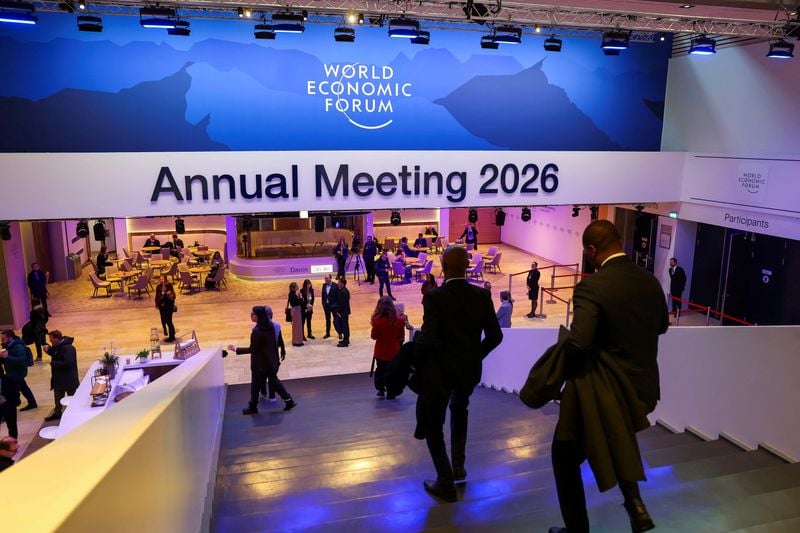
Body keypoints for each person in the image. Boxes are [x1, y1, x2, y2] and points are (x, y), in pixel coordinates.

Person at [549, 220, 669, 533]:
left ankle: (579, 530)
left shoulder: (592, 287)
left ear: (591, 250)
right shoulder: (650, 281)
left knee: (564, 455)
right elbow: (661, 326)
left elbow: (579, 343)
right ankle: (635, 504)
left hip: (605, 390)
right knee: (613, 431)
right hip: (643, 391)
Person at [415, 246, 503, 502]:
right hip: (469, 370)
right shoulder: (482, 295)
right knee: (460, 410)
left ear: (443, 267)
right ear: (467, 266)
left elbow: (428, 338)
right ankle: (458, 465)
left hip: (441, 371)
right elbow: (495, 336)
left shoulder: (434, 297)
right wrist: (475, 355)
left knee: (433, 423)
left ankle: (445, 480)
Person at [229, 306, 297, 415]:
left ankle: (253, 407)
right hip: (271, 361)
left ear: (259, 316)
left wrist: (236, 349)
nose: (251, 316)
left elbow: (253, 349)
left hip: (260, 363)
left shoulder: (256, 331)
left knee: (255, 386)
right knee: (275, 382)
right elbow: (275, 345)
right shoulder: (271, 327)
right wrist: (276, 359)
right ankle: (289, 401)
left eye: (253, 314)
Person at [370, 297, 405, 399]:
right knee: (393, 372)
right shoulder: (400, 320)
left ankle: (381, 389)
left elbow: (374, 336)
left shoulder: (377, 321)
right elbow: (400, 336)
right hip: (394, 351)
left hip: (381, 351)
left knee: (380, 369)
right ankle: (391, 391)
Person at [43, 330, 79, 422]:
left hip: (68, 378)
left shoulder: (68, 348)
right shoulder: (59, 346)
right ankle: (57, 413)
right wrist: (49, 350)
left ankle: (73, 414)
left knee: (71, 398)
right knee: (58, 397)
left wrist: (53, 363)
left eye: (51, 339)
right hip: (59, 378)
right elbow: (56, 354)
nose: (50, 341)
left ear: (56, 339)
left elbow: (68, 363)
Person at [0, 330, 37, 412]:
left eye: (3, 338)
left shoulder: (18, 346)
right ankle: (32, 403)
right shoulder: (7, 345)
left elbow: (21, 360)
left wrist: (7, 357)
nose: (1, 340)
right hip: (12, 371)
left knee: (15, 389)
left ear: (10, 338)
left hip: (18, 372)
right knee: (23, 387)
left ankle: (14, 404)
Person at [260, 305, 287, 403]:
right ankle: (270, 396)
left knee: (267, 377)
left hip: (268, 356)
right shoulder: (276, 326)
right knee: (270, 377)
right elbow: (280, 340)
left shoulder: (258, 328)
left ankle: (266, 394)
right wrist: (283, 350)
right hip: (271, 356)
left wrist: (283, 350)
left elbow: (280, 339)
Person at [0, 370, 21, 439]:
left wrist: (15, 402)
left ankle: (13, 442)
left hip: (8, 405)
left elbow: (16, 392)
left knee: (12, 427)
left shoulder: (9, 379)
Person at [155, 276, 176, 342]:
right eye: (160, 279)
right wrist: (157, 304)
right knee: (168, 321)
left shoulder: (168, 287)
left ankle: (171, 337)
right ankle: (172, 335)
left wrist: (164, 294)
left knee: (168, 321)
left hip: (168, 308)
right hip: (164, 307)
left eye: (162, 279)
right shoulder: (159, 287)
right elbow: (157, 296)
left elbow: (171, 297)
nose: (161, 280)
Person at [320, 274, 340, 340]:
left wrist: (336, 305)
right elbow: (323, 295)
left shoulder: (335, 286)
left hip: (334, 306)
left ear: (330, 278)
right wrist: (323, 303)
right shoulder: (324, 285)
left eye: (327, 278)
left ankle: (339, 333)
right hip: (326, 306)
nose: (326, 279)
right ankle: (327, 333)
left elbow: (338, 297)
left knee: (336, 320)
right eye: (325, 278)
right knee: (327, 320)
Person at [29, 298, 48, 362]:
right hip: (43, 328)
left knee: (38, 344)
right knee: (43, 342)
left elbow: (32, 322)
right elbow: (46, 319)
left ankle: (39, 357)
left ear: (33, 304)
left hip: (36, 330)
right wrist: (42, 324)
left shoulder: (33, 312)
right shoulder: (43, 309)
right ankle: (53, 351)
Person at [287, 282, 305, 347]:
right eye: (297, 286)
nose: (298, 287)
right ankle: (297, 341)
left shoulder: (291, 294)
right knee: (297, 326)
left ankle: (295, 340)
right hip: (296, 311)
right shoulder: (293, 295)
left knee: (295, 326)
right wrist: (301, 297)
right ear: (294, 287)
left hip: (294, 310)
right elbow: (299, 302)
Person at [335, 278, 351, 348]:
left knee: (345, 326)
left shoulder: (344, 291)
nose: (338, 283)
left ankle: (345, 342)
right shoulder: (343, 290)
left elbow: (342, 303)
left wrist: (338, 311)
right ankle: (346, 339)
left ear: (342, 283)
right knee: (345, 325)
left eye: (339, 282)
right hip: (344, 311)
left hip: (343, 311)